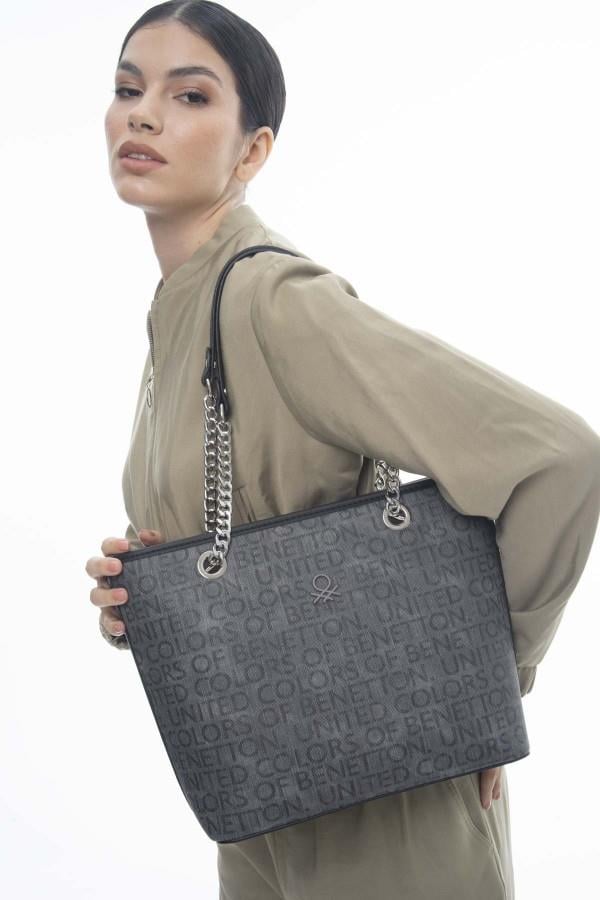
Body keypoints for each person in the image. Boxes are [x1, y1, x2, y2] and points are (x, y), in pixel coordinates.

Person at [85, 3, 600, 898]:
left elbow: (559, 457)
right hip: (261, 799)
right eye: (129, 89)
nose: (144, 115)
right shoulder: (181, 313)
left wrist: (486, 689)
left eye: (190, 95)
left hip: (388, 805)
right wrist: (147, 595)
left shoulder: (275, 300)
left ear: (252, 151)